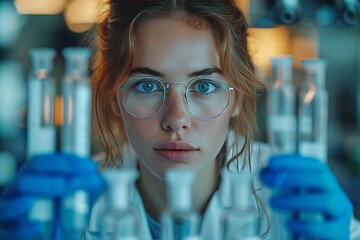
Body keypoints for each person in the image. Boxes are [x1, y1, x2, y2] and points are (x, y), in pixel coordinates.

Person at [0, 0, 359, 239]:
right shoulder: (64, 207)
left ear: (238, 99)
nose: (176, 119)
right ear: (112, 98)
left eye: (203, 85)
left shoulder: (297, 204)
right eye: (146, 85)